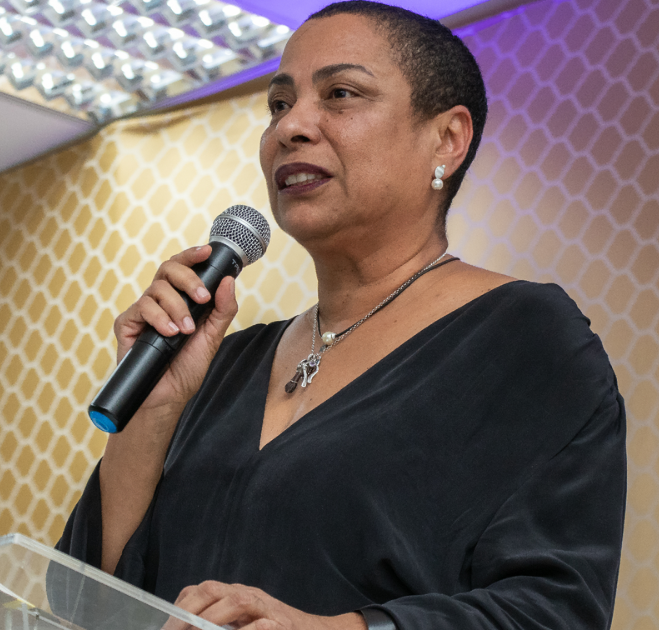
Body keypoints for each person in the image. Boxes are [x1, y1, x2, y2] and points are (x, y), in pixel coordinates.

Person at [57, 2, 627, 629]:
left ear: (447, 139)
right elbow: (84, 607)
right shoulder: (219, 364)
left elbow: (556, 612)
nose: (291, 127)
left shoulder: (525, 336)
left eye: (341, 94)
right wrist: (153, 414)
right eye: (278, 104)